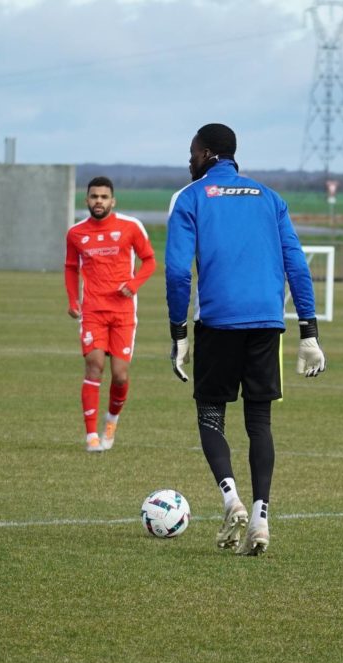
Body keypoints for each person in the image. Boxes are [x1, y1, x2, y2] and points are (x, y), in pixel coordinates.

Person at [165, 123, 326, 556]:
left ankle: (230, 498)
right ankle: (260, 518)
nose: (189, 160)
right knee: (260, 422)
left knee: (211, 416)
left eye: (192, 152)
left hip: (218, 322)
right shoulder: (270, 198)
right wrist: (309, 332)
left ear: (205, 154)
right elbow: (297, 265)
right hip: (267, 323)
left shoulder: (191, 197)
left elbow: (178, 272)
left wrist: (179, 333)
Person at [65, 176, 156, 451]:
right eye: (94, 196)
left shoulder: (130, 227)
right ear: (87, 200)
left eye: (104, 197)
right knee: (94, 365)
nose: (99, 201)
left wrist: (133, 285)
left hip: (123, 313)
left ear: (112, 201)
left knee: (120, 375)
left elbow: (149, 261)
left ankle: (111, 421)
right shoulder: (76, 233)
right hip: (93, 310)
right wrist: (73, 300)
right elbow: (71, 267)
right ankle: (91, 436)